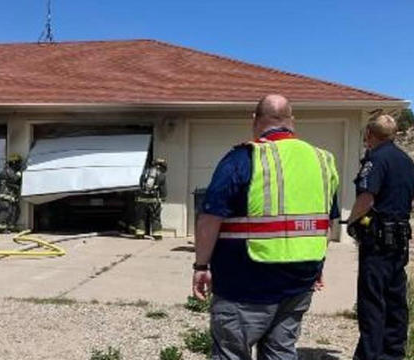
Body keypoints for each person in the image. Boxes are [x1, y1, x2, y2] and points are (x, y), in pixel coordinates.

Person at [192, 94, 340, 359]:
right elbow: (326, 224)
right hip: (299, 283)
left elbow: (209, 218)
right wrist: (318, 264)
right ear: (292, 121)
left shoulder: (244, 158)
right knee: (281, 352)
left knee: (231, 353)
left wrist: (201, 266)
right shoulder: (322, 161)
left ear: (254, 121)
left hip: (245, 285)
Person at [347, 114, 414, 360]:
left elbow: (366, 198)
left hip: (377, 243)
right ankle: (393, 352)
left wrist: (352, 222)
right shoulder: (406, 161)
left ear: (370, 135)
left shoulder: (375, 160)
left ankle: (369, 355)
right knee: (396, 300)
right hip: (399, 241)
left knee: (372, 302)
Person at [134, 158, 167, 239]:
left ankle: (139, 234)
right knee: (155, 217)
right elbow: (163, 189)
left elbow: (140, 185)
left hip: (141, 199)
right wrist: (163, 197)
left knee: (141, 217)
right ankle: (157, 235)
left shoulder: (145, 172)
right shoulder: (161, 175)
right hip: (154, 199)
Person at [0, 153, 23, 233]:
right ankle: (1, 228)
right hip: (5, 196)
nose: (19, 164)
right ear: (13, 163)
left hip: (12, 196)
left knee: (14, 212)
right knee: (5, 212)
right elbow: (13, 179)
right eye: (18, 162)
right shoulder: (7, 171)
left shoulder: (11, 171)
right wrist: (19, 173)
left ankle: (10, 227)